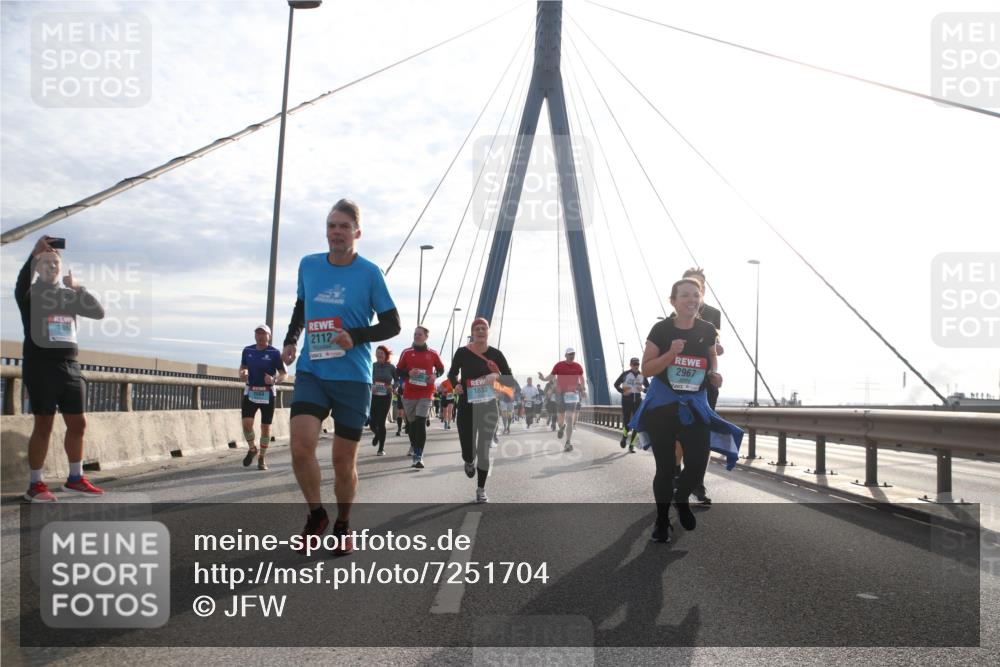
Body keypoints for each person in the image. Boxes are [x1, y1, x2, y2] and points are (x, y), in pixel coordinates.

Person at [281, 199, 401, 555]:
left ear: (357, 233)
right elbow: (302, 306)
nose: (336, 232)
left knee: (341, 461)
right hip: (312, 371)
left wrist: (357, 335)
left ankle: (344, 522)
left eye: (344, 226)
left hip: (353, 378)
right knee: (301, 447)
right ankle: (316, 514)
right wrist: (291, 340)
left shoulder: (370, 273)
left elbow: (393, 324)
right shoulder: (309, 265)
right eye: (332, 225)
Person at [629, 278, 741, 543]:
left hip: (694, 405)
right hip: (664, 407)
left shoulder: (707, 328)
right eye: (684, 296)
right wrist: (670, 354)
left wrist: (714, 374)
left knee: (698, 461)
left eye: (696, 295)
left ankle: (681, 498)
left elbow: (711, 357)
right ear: (673, 301)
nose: (691, 300)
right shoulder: (661, 329)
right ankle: (660, 521)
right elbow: (647, 369)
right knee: (666, 469)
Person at [15, 236, 106, 502]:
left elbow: (98, 312)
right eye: (46, 262)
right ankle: (35, 484)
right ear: (38, 266)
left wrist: (78, 288)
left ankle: (75, 479)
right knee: (44, 424)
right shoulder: (31, 295)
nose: (51, 266)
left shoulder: (68, 294)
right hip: (40, 365)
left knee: (78, 423)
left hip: (70, 366)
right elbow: (21, 282)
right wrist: (34, 254)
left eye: (55, 262)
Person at [447, 318, 516, 503]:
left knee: (484, 449)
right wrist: (456, 385)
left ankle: (481, 489)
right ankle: (469, 461)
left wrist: (496, 376)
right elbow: (452, 373)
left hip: (488, 408)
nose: (480, 331)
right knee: (469, 450)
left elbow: (509, 381)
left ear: (488, 332)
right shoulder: (462, 352)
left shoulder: (496, 354)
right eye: (476, 328)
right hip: (466, 406)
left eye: (483, 328)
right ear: (472, 332)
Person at [673, 268, 724, 504]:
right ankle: (675, 475)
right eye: (691, 287)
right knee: (681, 434)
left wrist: (715, 366)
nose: (695, 292)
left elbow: (715, 347)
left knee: (703, 435)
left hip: (705, 383)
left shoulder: (713, 314)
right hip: (680, 383)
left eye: (700, 287)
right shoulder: (676, 313)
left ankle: (697, 483)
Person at [395, 326, 444, 469]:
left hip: (426, 392)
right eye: (415, 334)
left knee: (420, 422)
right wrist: (408, 374)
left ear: (426, 337)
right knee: (411, 425)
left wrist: (435, 375)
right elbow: (398, 370)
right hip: (409, 393)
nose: (416, 336)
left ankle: (418, 456)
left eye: (419, 334)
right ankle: (413, 445)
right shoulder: (407, 352)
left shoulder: (433, 354)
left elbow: (441, 369)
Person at [239, 324, 287, 470]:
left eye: (263, 334)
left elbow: (284, 374)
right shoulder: (248, 350)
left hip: (268, 393)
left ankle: (262, 457)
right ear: (255, 335)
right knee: (247, 424)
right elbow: (242, 368)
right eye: (258, 333)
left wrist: (273, 380)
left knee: (265, 427)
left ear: (269, 336)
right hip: (251, 391)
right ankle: (253, 448)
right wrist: (243, 374)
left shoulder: (274, 353)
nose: (260, 336)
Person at [538, 347, 587, 451]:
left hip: (572, 394)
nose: (572, 356)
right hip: (560, 393)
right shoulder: (559, 365)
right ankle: (561, 427)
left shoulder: (578, 366)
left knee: (569, 419)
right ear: (565, 355)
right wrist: (543, 379)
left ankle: (568, 442)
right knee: (560, 416)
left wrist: (582, 390)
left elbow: (581, 379)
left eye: (573, 354)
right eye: (570, 354)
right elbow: (551, 377)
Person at [614, 357, 648, 452]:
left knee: (636, 424)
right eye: (634, 364)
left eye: (637, 364)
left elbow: (649, 388)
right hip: (626, 400)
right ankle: (624, 437)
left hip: (638, 401)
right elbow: (616, 384)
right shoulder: (625, 374)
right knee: (627, 423)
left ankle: (632, 445)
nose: (636, 366)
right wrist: (622, 391)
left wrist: (643, 390)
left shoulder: (642, 375)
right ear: (630, 365)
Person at [370, 345, 396, 456]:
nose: (379, 355)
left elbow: (398, 380)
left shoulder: (391, 367)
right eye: (378, 353)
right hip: (374, 396)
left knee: (381, 422)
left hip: (386, 397)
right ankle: (377, 434)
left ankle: (381, 448)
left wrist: (393, 387)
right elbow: (366, 377)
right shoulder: (372, 366)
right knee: (372, 423)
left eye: (382, 353)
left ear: (386, 355)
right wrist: (370, 385)